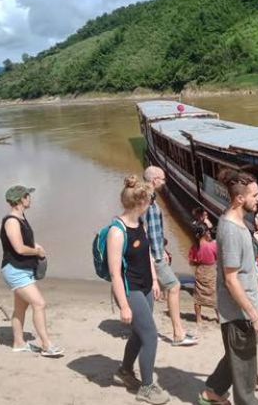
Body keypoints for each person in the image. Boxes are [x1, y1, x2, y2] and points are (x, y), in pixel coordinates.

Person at [199, 169, 258, 405]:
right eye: (255, 195)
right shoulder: (231, 229)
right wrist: (255, 316)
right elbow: (230, 280)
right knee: (246, 374)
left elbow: (239, 266)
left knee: (237, 358)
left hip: (243, 309)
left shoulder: (238, 221)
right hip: (239, 314)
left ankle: (212, 392)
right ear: (240, 198)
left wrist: (256, 278)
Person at [107, 175, 169, 404]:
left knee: (140, 333)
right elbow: (115, 273)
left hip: (144, 286)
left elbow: (147, 255)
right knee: (150, 336)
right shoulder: (117, 231)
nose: (152, 204)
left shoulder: (139, 223)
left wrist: (154, 280)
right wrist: (124, 305)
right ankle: (147, 387)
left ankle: (124, 370)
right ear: (140, 202)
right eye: (150, 200)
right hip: (129, 289)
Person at [0, 185, 63, 357]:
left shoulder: (21, 218)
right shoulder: (12, 221)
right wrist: (37, 252)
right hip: (15, 270)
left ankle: (19, 343)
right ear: (20, 199)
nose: (30, 198)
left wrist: (35, 245)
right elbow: (19, 248)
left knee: (21, 307)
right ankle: (46, 344)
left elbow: (22, 242)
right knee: (39, 303)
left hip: (22, 269)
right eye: (28, 195)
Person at [143, 166, 198, 347]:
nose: (165, 183)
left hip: (158, 253)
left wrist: (163, 249)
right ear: (154, 180)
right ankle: (177, 333)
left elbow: (154, 232)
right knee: (174, 286)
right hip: (154, 257)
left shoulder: (147, 200)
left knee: (152, 291)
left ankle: (148, 330)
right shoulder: (148, 203)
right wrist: (155, 256)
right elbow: (146, 233)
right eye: (163, 179)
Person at [188, 223, 219, 325]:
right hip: (211, 272)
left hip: (200, 272)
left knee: (198, 297)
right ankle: (219, 317)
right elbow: (218, 258)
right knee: (215, 296)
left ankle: (198, 319)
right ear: (206, 233)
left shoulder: (194, 247)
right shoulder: (213, 246)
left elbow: (191, 262)